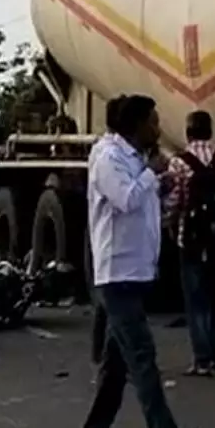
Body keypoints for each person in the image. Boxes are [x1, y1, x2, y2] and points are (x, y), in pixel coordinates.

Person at [81, 94, 209, 428]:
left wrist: (162, 184)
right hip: (117, 272)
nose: (158, 127)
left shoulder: (132, 159)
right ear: (135, 125)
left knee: (117, 360)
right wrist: (153, 176)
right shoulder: (108, 157)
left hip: (134, 270)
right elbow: (126, 199)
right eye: (153, 121)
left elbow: (144, 200)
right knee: (142, 354)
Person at [165, 109, 215, 377]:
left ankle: (202, 359)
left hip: (192, 239)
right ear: (210, 131)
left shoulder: (179, 163)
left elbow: (174, 202)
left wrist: (172, 226)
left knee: (196, 300)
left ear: (188, 133)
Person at [87, 96, 126, 373]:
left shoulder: (107, 152)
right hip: (113, 245)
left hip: (113, 246)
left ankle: (105, 356)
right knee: (112, 306)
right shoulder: (108, 156)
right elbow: (126, 198)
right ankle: (108, 357)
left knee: (108, 304)